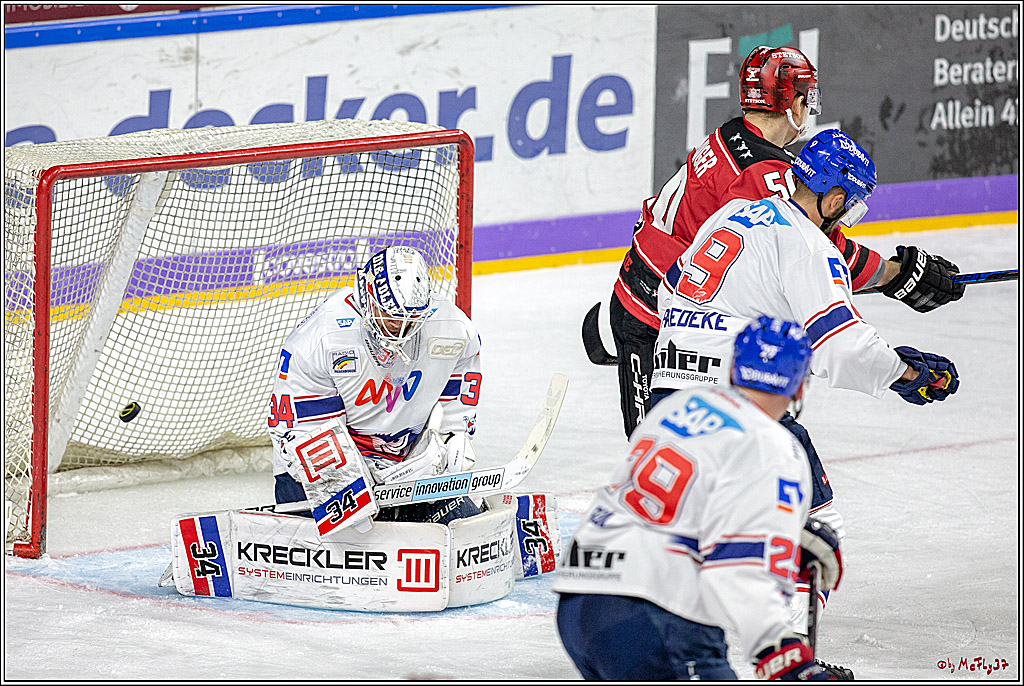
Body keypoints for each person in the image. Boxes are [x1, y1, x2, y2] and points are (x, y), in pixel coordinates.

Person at [650, 128, 960, 678]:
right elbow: (842, 349)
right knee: (813, 523)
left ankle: (679, 646)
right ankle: (786, 659)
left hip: (669, 398)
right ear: (835, 196)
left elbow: (676, 293)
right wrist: (907, 373)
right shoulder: (807, 243)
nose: (848, 218)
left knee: (699, 529)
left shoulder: (732, 215)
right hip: (740, 401)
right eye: (851, 205)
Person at [601, 44, 964, 439]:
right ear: (790, 101)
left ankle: (604, 331)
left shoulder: (732, 135)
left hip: (652, 290)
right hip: (655, 320)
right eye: (807, 97)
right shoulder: (765, 173)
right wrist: (897, 275)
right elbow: (817, 249)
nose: (810, 107)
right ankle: (611, 332)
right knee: (657, 455)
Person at [554, 316, 844, 681]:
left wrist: (779, 535)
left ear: (734, 369)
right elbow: (737, 572)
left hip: (579, 601)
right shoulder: (773, 447)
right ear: (799, 387)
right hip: (653, 613)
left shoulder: (677, 408)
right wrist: (786, 658)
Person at [266, 245, 483, 526]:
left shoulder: (452, 326)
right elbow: (297, 430)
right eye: (390, 315)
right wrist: (351, 482)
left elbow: (459, 385)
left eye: (411, 319)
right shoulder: (322, 338)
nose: (399, 327)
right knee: (341, 556)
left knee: (463, 532)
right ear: (367, 297)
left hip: (401, 470)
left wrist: (452, 439)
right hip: (313, 474)